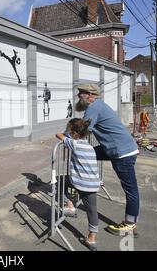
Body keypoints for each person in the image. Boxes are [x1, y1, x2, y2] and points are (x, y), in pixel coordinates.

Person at [76, 84, 140, 237]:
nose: (79, 96)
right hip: (116, 149)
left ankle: (130, 225)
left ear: (91, 95)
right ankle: (81, 186)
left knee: (131, 190)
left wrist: (65, 137)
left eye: (82, 93)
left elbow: (82, 130)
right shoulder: (98, 105)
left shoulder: (94, 107)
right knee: (88, 153)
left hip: (121, 153)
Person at [56, 118, 100, 251]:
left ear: (73, 133)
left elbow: (58, 135)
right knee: (92, 211)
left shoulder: (74, 144)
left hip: (80, 182)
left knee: (60, 181)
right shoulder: (89, 146)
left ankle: (70, 206)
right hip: (93, 183)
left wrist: (66, 133)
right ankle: (91, 239)